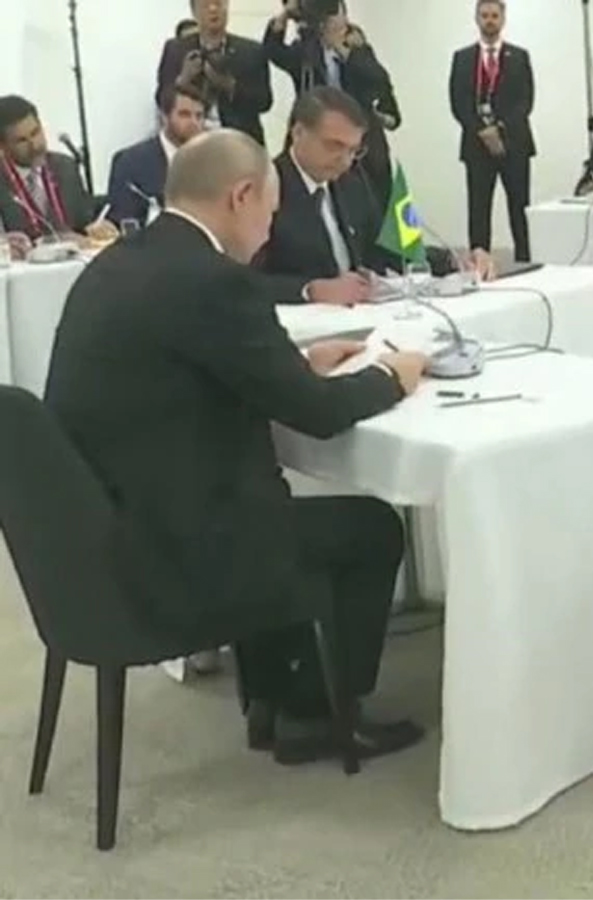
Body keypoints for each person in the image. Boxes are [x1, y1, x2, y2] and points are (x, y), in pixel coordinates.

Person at [44, 129, 432, 764]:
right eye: (270, 215)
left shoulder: (118, 263)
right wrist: (393, 375)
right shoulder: (214, 280)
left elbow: (194, 367)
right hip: (177, 547)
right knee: (369, 528)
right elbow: (318, 415)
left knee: (268, 505)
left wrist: (297, 364)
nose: (268, 234)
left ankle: (279, 700)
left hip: (102, 534)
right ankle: (323, 713)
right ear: (241, 196)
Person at [255, 88, 491, 305]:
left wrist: (452, 260)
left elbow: (387, 252)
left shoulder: (352, 183)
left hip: (358, 313)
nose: (345, 161)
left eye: (353, 150)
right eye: (334, 146)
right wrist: (310, 290)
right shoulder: (263, 188)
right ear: (298, 133)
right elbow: (245, 282)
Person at [264, 1, 401, 204]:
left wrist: (340, 48)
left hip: (360, 148)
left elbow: (378, 80)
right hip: (317, 140)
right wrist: (285, 14)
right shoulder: (307, 50)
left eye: (334, 13)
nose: (328, 20)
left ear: (345, 17)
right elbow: (273, 51)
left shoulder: (358, 49)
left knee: (370, 205)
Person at [450, 0, 536, 261]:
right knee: (478, 209)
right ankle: (480, 261)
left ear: (503, 19)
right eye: (484, 15)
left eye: (494, 16)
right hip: (477, 145)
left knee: (519, 207)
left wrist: (500, 129)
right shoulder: (463, 58)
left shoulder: (519, 57)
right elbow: (458, 102)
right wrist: (482, 131)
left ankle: (525, 260)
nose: (489, 20)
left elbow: (526, 101)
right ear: (477, 18)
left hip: (514, 144)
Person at [155, 0, 273, 145]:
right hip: (188, 140)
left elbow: (265, 102)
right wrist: (182, 79)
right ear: (194, 12)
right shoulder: (176, 49)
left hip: (239, 141)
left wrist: (230, 86)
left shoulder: (251, 51)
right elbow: (160, 98)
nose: (213, 9)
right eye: (206, 4)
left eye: (218, 3)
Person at [0, 96, 112, 245]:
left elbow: (85, 220)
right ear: (3, 146)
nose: (35, 145)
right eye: (22, 141)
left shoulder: (65, 167)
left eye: (35, 132)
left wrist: (99, 227)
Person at [107, 84, 210, 225]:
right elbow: (123, 220)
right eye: (184, 115)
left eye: (199, 116)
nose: (194, 123)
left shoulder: (213, 161)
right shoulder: (131, 162)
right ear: (164, 117)